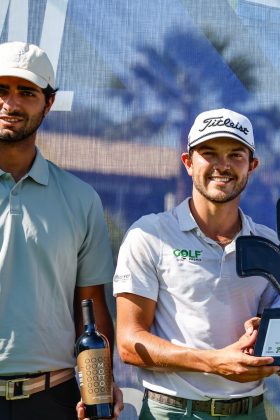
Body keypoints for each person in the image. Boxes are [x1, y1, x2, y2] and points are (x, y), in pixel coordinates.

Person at [113, 108, 280, 419]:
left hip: (251, 411)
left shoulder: (269, 243)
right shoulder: (149, 234)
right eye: (209, 153)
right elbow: (129, 342)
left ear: (252, 166)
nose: (223, 165)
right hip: (172, 412)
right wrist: (213, 361)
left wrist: (273, 340)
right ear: (188, 163)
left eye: (236, 155)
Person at [0, 41, 122, 419]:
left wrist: (101, 385)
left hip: (53, 399)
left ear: (48, 103)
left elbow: (91, 305)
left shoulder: (80, 198)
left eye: (27, 93)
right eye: (1, 90)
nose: (11, 104)